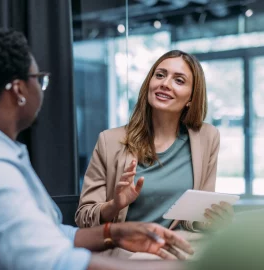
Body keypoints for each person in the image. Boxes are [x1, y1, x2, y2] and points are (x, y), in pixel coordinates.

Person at [0, 26, 194, 270]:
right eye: (39, 79)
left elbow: (46, 236)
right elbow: (53, 262)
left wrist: (114, 233)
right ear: (19, 90)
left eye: (179, 80)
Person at [76, 50, 234, 232]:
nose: (165, 84)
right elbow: (83, 217)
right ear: (149, 83)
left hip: (181, 250)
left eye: (179, 80)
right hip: (130, 254)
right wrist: (115, 205)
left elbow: (195, 217)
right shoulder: (109, 141)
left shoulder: (206, 137)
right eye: (160, 75)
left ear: (191, 98)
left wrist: (212, 218)